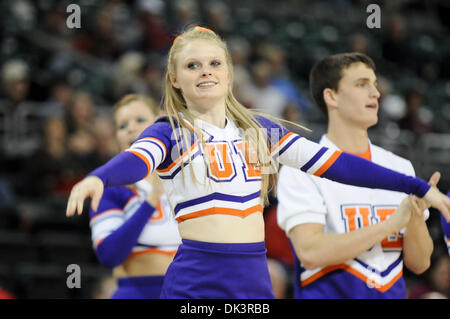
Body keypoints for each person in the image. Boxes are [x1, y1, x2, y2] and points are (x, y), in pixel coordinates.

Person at [66, 27, 450, 299]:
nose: (206, 72)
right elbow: (137, 158)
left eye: (214, 63)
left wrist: (416, 187)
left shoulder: (261, 131)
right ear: (175, 79)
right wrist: (100, 177)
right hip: (197, 278)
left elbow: (337, 164)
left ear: (229, 73)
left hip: (253, 279)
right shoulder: (169, 130)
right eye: (193, 66)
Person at [277, 52, 438, 299]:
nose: (375, 93)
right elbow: (311, 253)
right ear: (331, 96)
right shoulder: (302, 168)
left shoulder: (400, 167)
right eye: (362, 84)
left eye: (374, 84)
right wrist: (391, 225)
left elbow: (420, 263)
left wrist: (415, 218)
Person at [89, 94, 181, 298]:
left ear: (160, 123)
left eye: (140, 120)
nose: (130, 128)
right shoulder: (111, 187)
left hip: (193, 294)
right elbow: (109, 255)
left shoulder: (188, 179)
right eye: (122, 126)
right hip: (139, 292)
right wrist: (151, 200)